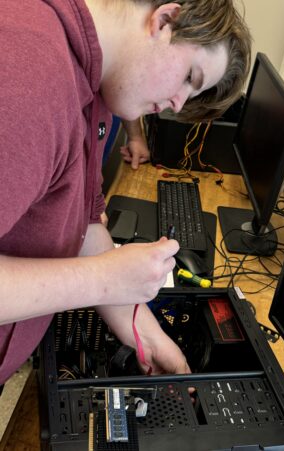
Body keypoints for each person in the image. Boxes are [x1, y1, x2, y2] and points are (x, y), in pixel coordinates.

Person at [0, 0, 252, 384]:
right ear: (165, 20)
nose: (178, 104)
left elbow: (84, 222)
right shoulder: (29, 74)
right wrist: (103, 278)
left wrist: (149, 339)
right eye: (189, 77)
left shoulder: (95, 84)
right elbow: (98, 269)